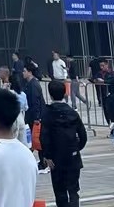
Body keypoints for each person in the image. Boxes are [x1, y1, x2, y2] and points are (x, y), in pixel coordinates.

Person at [39, 79, 87, 207]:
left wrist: (47, 155)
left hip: (56, 157)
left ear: (50, 95)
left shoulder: (48, 114)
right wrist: (77, 148)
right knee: (73, 189)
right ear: (65, 93)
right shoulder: (72, 113)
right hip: (73, 155)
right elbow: (83, 135)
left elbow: (44, 136)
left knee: (60, 190)